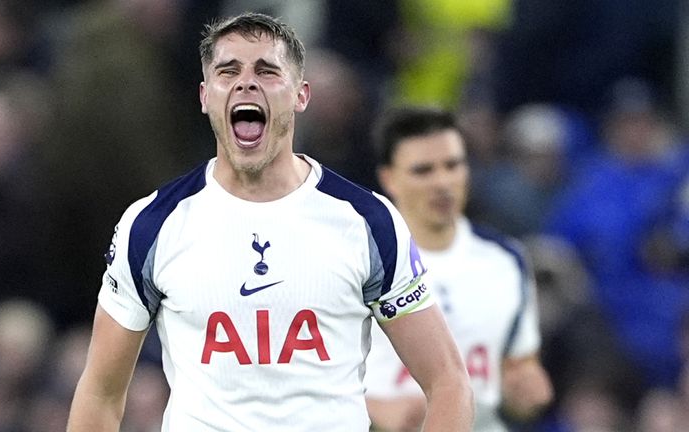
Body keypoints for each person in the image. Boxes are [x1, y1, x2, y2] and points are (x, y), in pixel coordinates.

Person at [67, 12, 473, 432]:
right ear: (205, 96)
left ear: (301, 95)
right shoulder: (153, 224)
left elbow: (448, 382)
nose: (246, 82)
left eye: (267, 70)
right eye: (229, 71)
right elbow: (100, 393)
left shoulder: (366, 221)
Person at [364, 106, 553, 431]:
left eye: (453, 165)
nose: (442, 182)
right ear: (389, 178)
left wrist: (526, 389)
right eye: (423, 170)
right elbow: (302, 374)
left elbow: (518, 368)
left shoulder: (506, 260)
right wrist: (375, 408)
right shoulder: (356, 259)